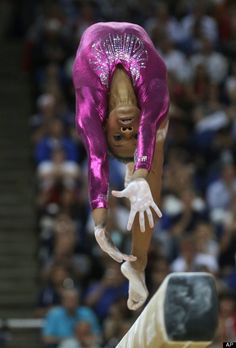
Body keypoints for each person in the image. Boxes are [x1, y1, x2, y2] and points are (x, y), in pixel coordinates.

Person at [72, 22, 169, 310]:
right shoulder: (154, 95)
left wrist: (100, 226)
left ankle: (137, 262)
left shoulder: (91, 110)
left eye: (118, 136)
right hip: (146, 70)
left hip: (94, 38)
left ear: (103, 128)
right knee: (158, 137)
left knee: (152, 154)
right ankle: (140, 264)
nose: (127, 130)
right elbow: (147, 128)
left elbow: (97, 160)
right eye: (131, 135)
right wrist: (141, 175)